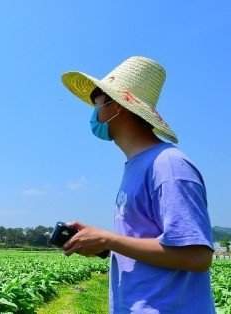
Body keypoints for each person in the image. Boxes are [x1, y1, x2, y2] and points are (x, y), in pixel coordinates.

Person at [60, 56, 215, 313]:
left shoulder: (169, 166)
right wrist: (103, 244)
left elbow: (197, 256)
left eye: (97, 102)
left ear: (117, 106)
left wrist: (109, 239)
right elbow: (147, 244)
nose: (94, 112)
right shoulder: (138, 165)